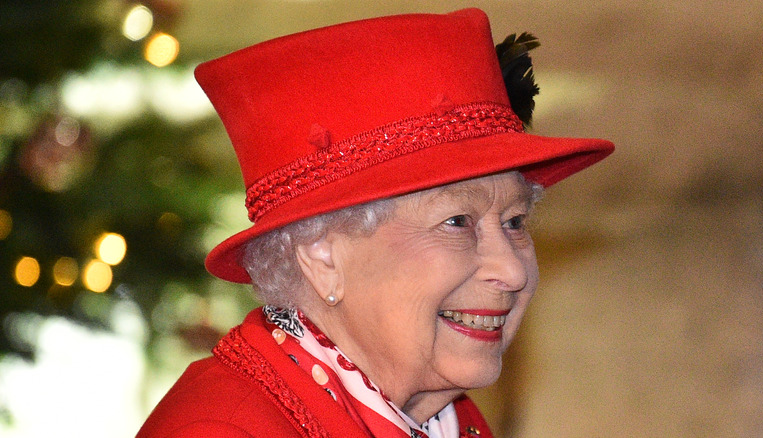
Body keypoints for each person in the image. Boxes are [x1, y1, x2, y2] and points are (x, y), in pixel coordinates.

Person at [137, 8, 613, 438]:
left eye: (514, 222)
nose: (512, 271)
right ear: (322, 255)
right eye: (457, 221)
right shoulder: (220, 431)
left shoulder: (447, 420)